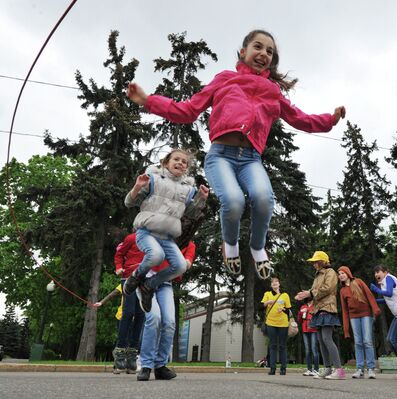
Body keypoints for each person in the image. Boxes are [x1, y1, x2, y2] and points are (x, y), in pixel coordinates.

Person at [127, 29, 345, 280]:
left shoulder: (273, 91)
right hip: (221, 156)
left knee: (263, 199)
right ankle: (230, 245)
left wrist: (330, 120)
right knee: (233, 201)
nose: (263, 53)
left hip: (250, 158)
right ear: (243, 52)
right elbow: (187, 110)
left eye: (270, 51)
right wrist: (148, 101)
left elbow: (300, 119)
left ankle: (257, 246)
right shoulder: (225, 79)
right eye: (258, 47)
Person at [137, 182, 208, 382]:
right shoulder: (152, 232)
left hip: (164, 284)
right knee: (154, 320)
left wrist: (200, 199)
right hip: (145, 281)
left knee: (169, 322)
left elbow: (185, 263)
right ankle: (146, 365)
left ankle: (160, 365)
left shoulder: (187, 244)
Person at [122, 149, 209, 313]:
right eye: (176, 159)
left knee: (180, 266)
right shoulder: (154, 179)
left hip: (167, 237)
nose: (180, 163)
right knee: (156, 255)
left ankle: (148, 286)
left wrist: (201, 200)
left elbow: (190, 213)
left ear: (186, 169)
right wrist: (137, 187)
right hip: (147, 232)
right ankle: (135, 278)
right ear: (166, 163)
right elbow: (129, 202)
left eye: (184, 162)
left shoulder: (188, 189)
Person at [295, 251, 345, 380]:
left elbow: (328, 288)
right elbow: (314, 292)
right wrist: (307, 294)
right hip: (317, 309)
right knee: (321, 340)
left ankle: (339, 370)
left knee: (327, 338)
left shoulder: (331, 272)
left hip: (328, 308)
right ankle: (328, 369)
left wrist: (309, 293)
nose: (314, 264)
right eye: (313, 262)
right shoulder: (317, 275)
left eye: (316, 262)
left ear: (323, 262)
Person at [370, 265, 397, 380]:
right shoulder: (385, 282)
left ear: (385, 272)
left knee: (393, 339)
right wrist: (372, 301)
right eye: (375, 273)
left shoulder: (388, 278)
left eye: (378, 272)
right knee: (390, 339)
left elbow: (389, 293)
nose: (376, 275)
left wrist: (376, 290)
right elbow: (387, 299)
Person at [109, 232, 145, 373]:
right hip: (128, 278)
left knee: (140, 314)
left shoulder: (152, 240)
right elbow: (119, 254)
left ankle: (132, 354)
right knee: (128, 312)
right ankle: (120, 350)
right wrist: (119, 267)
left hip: (143, 280)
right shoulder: (131, 238)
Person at [338, 266, 380, 379]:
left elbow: (369, 295)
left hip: (366, 314)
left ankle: (371, 369)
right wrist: (346, 328)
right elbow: (344, 310)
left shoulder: (358, 282)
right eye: (339, 274)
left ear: (348, 273)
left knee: (367, 340)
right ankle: (359, 369)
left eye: (343, 273)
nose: (341, 275)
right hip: (353, 317)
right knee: (358, 342)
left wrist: (375, 309)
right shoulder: (342, 291)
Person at [93, 284, 127, 373]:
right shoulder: (126, 281)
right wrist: (101, 302)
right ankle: (117, 366)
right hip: (122, 317)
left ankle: (130, 366)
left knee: (133, 342)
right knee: (121, 340)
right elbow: (114, 293)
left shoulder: (143, 282)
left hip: (137, 317)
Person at [261, 277, 292, 375]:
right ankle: (272, 368)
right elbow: (260, 307)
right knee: (273, 345)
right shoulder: (267, 294)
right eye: (272, 282)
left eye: (276, 282)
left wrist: (283, 310)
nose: (274, 283)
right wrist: (267, 302)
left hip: (283, 323)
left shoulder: (285, 295)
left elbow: (289, 311)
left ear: (279, 284)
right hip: (271, 323)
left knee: (282, 346)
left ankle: (283, 369)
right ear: (271, 285)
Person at [297, 298, 319, 376]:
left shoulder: (316, 306)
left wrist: (309, 311)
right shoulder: (303, 306)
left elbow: (317, 317)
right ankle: (309, 369)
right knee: (307, 350)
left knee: (314, 349)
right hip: (305, 330)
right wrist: (300, 313)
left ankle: (316, 369)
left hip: (314, 330)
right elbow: (299, 320)